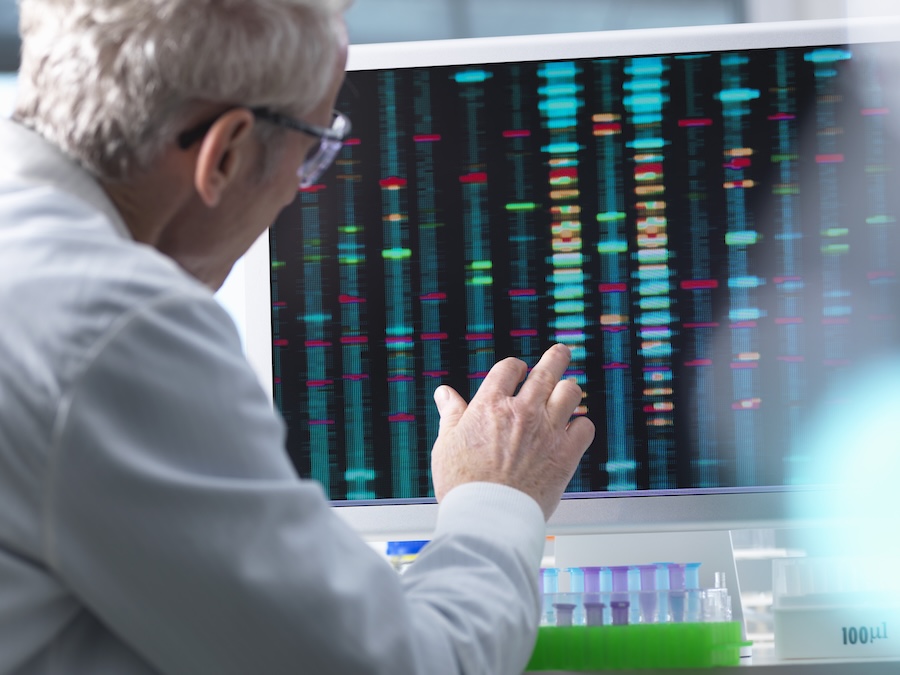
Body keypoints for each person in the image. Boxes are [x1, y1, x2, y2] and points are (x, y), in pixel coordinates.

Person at [0, 0, 595, 673]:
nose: (299, 190)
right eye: (314, 149)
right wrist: (495, 497)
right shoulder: (114, 324)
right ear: (222, 153)